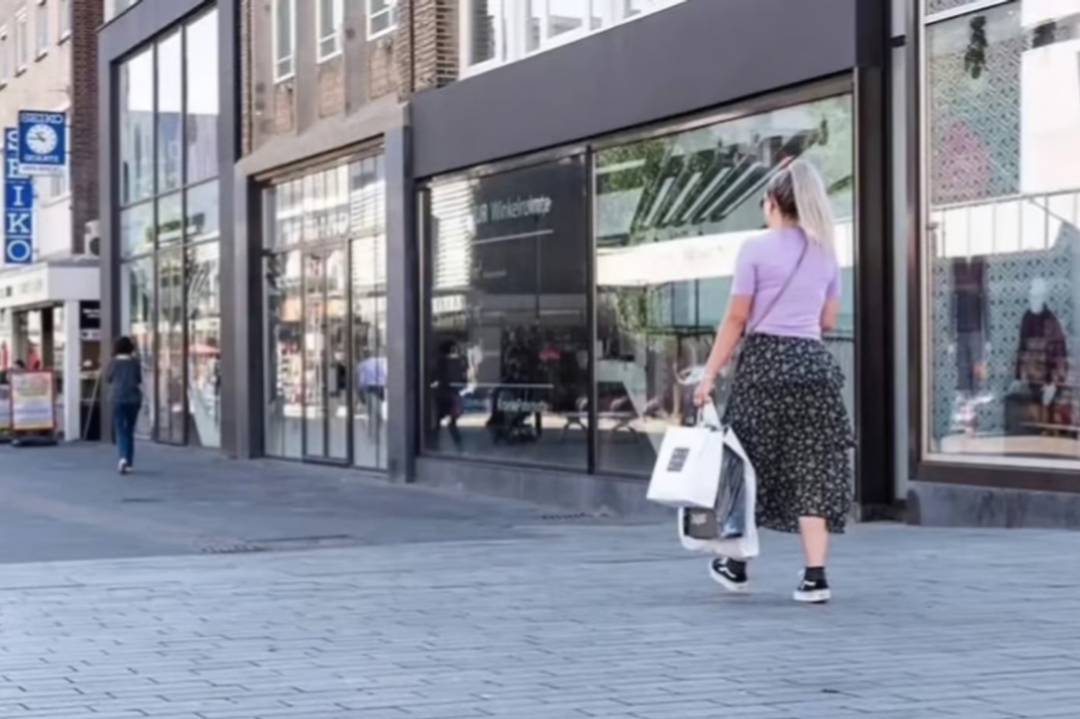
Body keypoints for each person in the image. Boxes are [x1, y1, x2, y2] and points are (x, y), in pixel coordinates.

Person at [693, 159, 853, 604]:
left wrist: (709, 373)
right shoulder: (825, 252)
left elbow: (737, 318)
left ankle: (736, 564)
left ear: (772, 204)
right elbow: (827, 318)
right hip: (814, 370)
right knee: (813, 469)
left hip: (763, 367)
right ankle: (814, 577)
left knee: (747, 466)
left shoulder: (755, 249)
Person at [107, 336, 143, 475]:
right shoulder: (135, 362)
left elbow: (108, 378)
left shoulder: (113, 362)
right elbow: (138, 379)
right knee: (129, 430)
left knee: (120, 430)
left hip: (117, 399)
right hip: (133, 399)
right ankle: (129, 462)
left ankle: (122, 458)